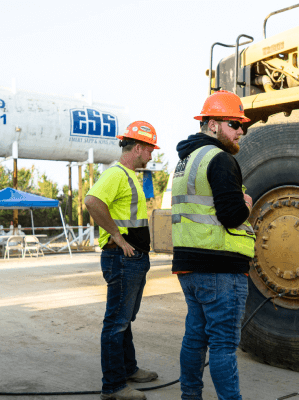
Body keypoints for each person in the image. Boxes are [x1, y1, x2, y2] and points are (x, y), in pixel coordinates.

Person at [171, 90, 256, 400]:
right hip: (220, 268)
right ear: (213, 124)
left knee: (195, 338)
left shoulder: (185, 161)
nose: (240, 131)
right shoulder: (220, 159)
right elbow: (232, 216)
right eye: (234, 123)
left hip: (190, 266)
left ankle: (190, 396)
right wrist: (246, 204)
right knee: (222, 345)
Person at [84, 120, 161, 400]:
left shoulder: (129, 175)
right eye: (150, 149)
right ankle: (114, 386)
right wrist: (117, 236)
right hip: (122, 258)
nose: (152, 155)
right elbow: (92, 202)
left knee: (124, 319)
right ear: (138, 147)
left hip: (132, 258)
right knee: (116, 321)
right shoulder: (116, 174)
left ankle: (128, 369)